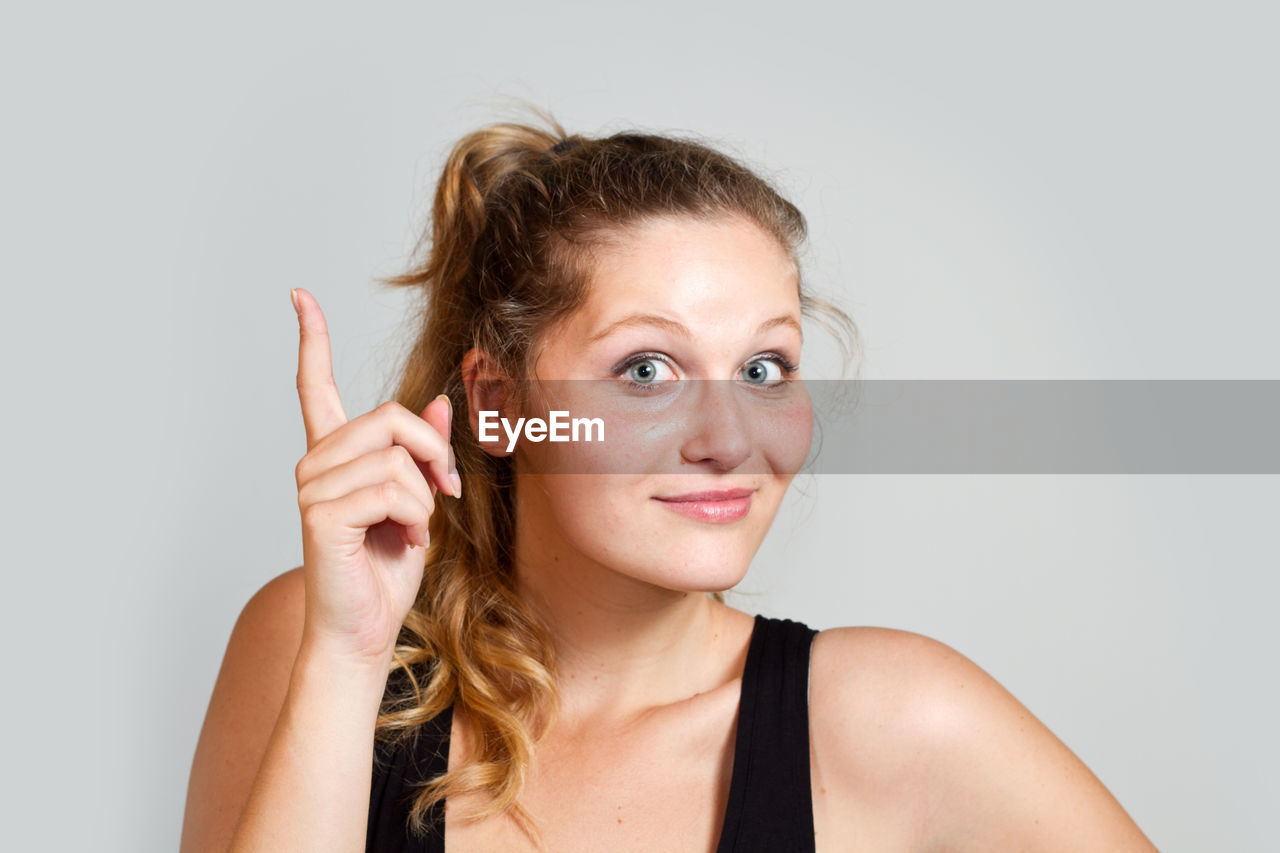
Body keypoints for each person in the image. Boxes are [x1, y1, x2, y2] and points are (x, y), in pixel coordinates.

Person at [181, 110, 1158, 852]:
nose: (726, 437)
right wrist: (345, 657)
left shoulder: (891, 718)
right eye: (646, 370)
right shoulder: (313, 643)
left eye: (763, 369)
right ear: (497, 402)